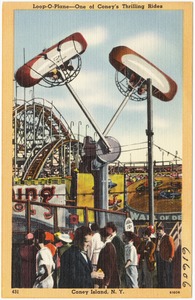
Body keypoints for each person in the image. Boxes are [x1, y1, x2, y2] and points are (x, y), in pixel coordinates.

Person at [105, 222, 126, 287]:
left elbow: (118, 255)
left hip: (117, 266)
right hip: (116, 266)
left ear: (112, 230)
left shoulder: (115, 239)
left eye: (108, 229)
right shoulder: (113, 239)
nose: (107, 230)